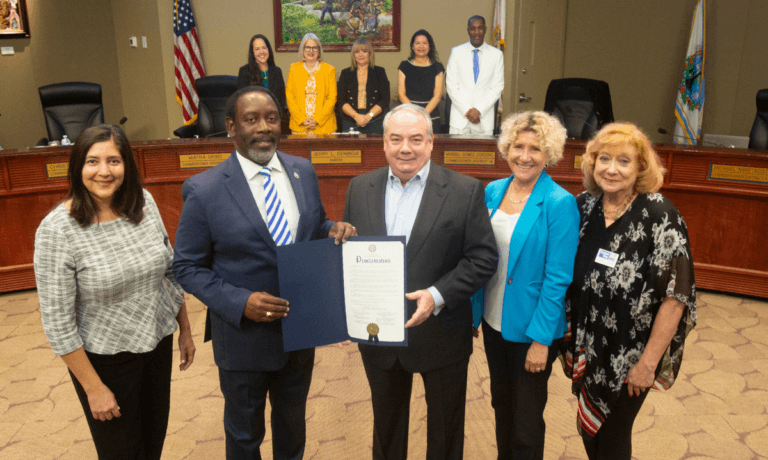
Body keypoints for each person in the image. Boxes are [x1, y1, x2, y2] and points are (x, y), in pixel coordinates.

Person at [172, 86, 355, 459]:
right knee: (244, 436)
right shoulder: (204, 190)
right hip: (244, 338)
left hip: (300, 331)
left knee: (292, 427)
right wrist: (240, 302)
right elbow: (186, 266)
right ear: (231, 127)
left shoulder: (302, 170)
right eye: (251, 119)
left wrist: (332, 228)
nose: (263, 127)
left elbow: (314, 224)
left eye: (271, 118)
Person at [343, 103, 498, 460]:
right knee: (386, 428)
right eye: (395, 139)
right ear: (383, 143)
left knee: (445, 433)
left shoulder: (465, 190)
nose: (405, 148)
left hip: (441, 332)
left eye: (415, 139)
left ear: (431, 143)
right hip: (378, 334)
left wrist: (437, 295)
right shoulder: (359, 188)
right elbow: (352, 258)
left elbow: (483, 257)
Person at [34, 124, 195, 460]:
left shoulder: (144, 203)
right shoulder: (56, 230)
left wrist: (185, 331)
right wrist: (93, 388)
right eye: (92, 162)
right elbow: (58, 325)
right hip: (105, 361)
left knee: (152, 444)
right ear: (78, 167)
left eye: (114, 161)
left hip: (156, 345)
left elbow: (169, 271)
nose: (104, 171)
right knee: (121, 452)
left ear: (127, 166)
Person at [561, 122, 697, 460]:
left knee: (613, 435)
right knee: (590, 432)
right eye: (603, 158)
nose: (611, 169)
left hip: (631, 354)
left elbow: (676, 297)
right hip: (588, 346)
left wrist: (648, 364)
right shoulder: (584, 207)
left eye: (623, 161)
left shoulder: (659, 213)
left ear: (640, 168)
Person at [471, 111, 579, 460]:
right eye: (518, 146)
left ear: (549, 154)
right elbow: (479, 256)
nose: (525, 156)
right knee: (502, 405)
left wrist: (541, 341)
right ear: (506, 148)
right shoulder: (492, 191)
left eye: (535, 148)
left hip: (532, 328)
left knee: (527, 421)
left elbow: (557, 279)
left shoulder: (560, 202)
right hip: (492, 321)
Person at [445, 15, 504, 135]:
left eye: (480, 28)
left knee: (484, 154)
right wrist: (467, 111)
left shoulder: (496, 55)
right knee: (456, 153)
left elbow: (497, 87)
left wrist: (479, 110)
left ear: (485, 30)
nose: (476, 32)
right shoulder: (456, 52)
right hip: (460, 119)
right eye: (473, 28)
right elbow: (451, 85)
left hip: (484, 120)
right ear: (468, 30)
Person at [286, 33, 337, 134]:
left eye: (314, 48)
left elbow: (332, 97)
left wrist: (317, 120)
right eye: (308, 47)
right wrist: (302, 120)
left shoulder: (329, 70)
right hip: (299, 126)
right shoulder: (293, 68)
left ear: (319, 50)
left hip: (324, 126)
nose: (311, 51)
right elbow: (290, 96)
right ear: (303, 49)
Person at [337, 38, 390, 134]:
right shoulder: (345, 73)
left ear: (370, 54)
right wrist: (356, 116)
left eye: (364, 51)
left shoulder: (380, 72)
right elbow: (341, 100)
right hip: (350, 119)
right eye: (357, 52)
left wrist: (368, 116)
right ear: (353, 55)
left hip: (375, 119)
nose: (361, 54)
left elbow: (385, 99)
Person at [237, 34, 287, 124]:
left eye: (264, 48)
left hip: (274, 122)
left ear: (268, 50)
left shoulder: (277, 71)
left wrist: (275, 119)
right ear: (252, 52)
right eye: (257, 49)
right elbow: (242, 102)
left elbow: (282, 101)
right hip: (253, 123)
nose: (261, 52)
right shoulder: (244, 71)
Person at [397, 29, 444, 124]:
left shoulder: (438, 67)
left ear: (430, 46)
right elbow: (401, 94)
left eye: (425, 43)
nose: (421, 46)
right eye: (417, 43)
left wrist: (423, 114)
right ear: (412, 46)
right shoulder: (404, 66)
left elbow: (437, 96)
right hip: (408, 116)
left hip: (431, 116)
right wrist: (414, 114)